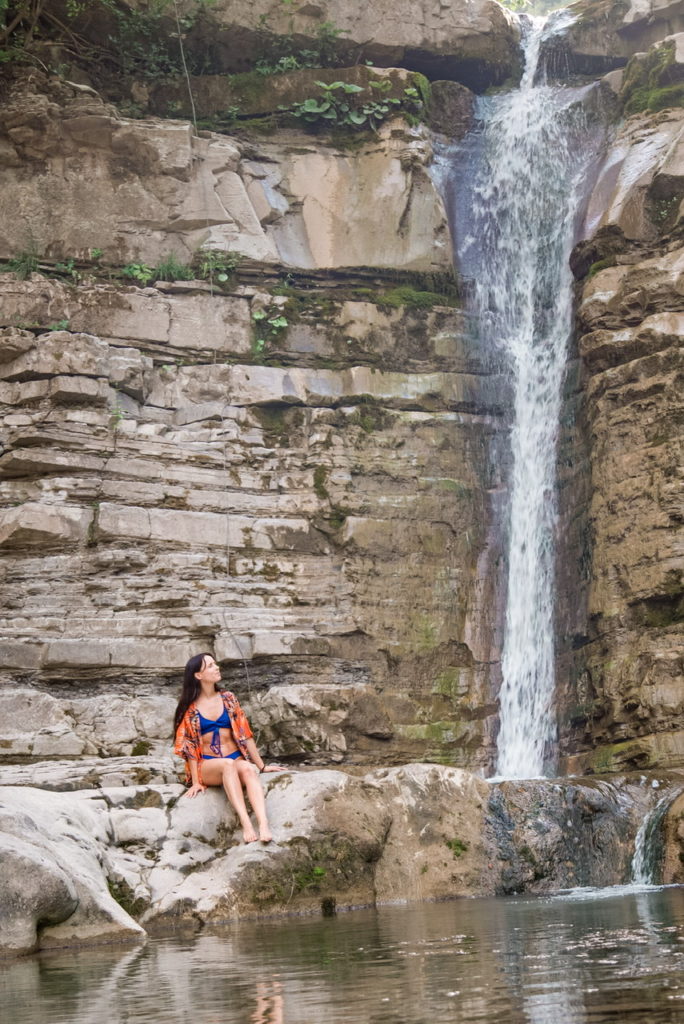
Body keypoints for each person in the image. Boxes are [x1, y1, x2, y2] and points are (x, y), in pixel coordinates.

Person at [173, 652, 283, 843]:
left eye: (215, 664)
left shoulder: (228, 698)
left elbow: (245, 734)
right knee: (227, 765)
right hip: (208, 766)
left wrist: (262, 766)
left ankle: (263, 823)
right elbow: (189, 747)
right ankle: (246, 823)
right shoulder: (190, 708)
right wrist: (197, 782)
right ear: (198, 675)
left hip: (234, 759)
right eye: (210, 666)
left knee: (248, 769)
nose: (216, 668)